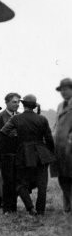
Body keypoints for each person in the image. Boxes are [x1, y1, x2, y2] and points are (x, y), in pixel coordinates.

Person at [1, 95, 56, 215]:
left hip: (24, 155)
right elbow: (49, 139)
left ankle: (30, 208)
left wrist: (15, 136)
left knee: (20, 184)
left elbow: (3, 132)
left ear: (23, 105)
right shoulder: (42, 119)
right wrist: (51, 152)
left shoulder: (16, 119)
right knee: (42, 186)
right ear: (34, 106)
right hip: (42, 155)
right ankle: (40, 211)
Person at [0, 93, 21, 213]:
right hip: (5, 155)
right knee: (7, 182)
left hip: (19, 155)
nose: (17, 104)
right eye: (14, 102)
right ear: (7, 103)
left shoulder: (21, 116)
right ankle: (7, 207)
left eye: (18, 102)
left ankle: (13, 206)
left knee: (17, 182)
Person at [52, 78, 72, 213]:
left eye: (66, 89)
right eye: (61, 90)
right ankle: (67, 208)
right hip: (59, 149)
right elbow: (56, 126)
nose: (63, 92)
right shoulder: (60, 106)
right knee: (63, 178)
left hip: (71, 148)